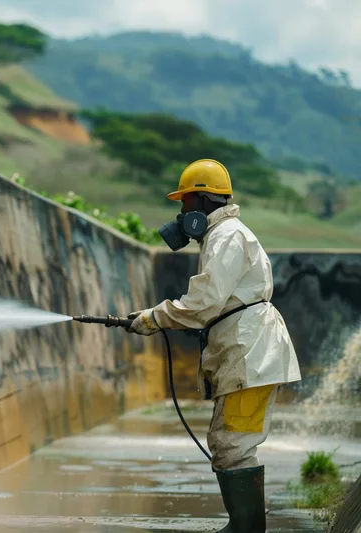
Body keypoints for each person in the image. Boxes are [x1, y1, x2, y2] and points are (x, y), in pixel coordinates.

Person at [126, 159, 302, 533]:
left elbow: (204, 303)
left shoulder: (227, 237)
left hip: (250, 355)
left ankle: (245, 528)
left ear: (204, 203)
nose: (182, 214)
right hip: (246, 352)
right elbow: (216, 305)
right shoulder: (221, 237)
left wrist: (155, 318)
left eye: (187, 203)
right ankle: (244, 526)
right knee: (229, 443)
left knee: (233, 444)